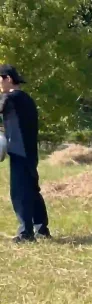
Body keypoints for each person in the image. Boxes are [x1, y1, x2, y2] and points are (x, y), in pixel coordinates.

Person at [0, 64, 50, 243]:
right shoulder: (26, 99)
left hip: (19, 152)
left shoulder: (11, 97)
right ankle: (41, 229)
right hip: (29, 152)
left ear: (8, 79)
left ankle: (26, 233)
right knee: (32, 190)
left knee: (19, 192)